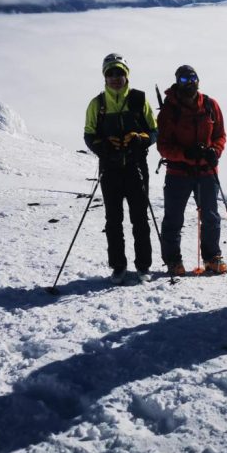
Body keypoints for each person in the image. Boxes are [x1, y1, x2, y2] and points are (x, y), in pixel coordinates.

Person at [83, 53, 158, 284]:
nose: (115, 77)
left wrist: (140, 139)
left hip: (136, 166)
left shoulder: (139, 100)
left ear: (127, 75)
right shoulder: (98, 104)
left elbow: (154, 131)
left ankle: (143, 265)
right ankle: (118, 265)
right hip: (110, 168)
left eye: (120, 73)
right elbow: (89, 135)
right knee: (113, 220)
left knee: (140, 219)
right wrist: (103, 146)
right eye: (110, 73)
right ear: (105, 77)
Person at [156, 64, 227, 277]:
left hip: (206, 171)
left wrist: (214, 151)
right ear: (178, 83)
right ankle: (173, 260)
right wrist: (187, 154)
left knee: (211, 216)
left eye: (193, 78)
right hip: (178, 173)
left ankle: (212, 257)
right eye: (185, 80)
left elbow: (220, 135)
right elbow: (163, 146)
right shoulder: (169, 110)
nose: (190, 83)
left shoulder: (209, 105)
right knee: (173, 218)